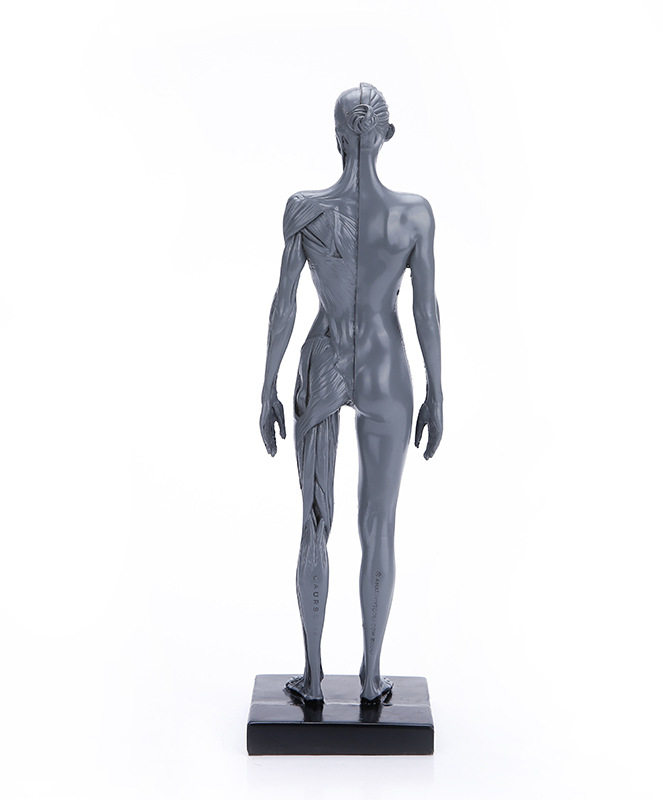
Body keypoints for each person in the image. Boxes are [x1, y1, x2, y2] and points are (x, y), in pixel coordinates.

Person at [259, 83, 443, 704]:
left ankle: (313, 679)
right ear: (386, 136)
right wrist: (437, 391)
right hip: (387, 367)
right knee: (379, 525)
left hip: (325, 357)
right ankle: (369, 678)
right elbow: (425, 311)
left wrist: (267, 385)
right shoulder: (414, 215)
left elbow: (285, 306)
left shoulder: (305, 210)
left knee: (315, 522)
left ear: (338, 139)